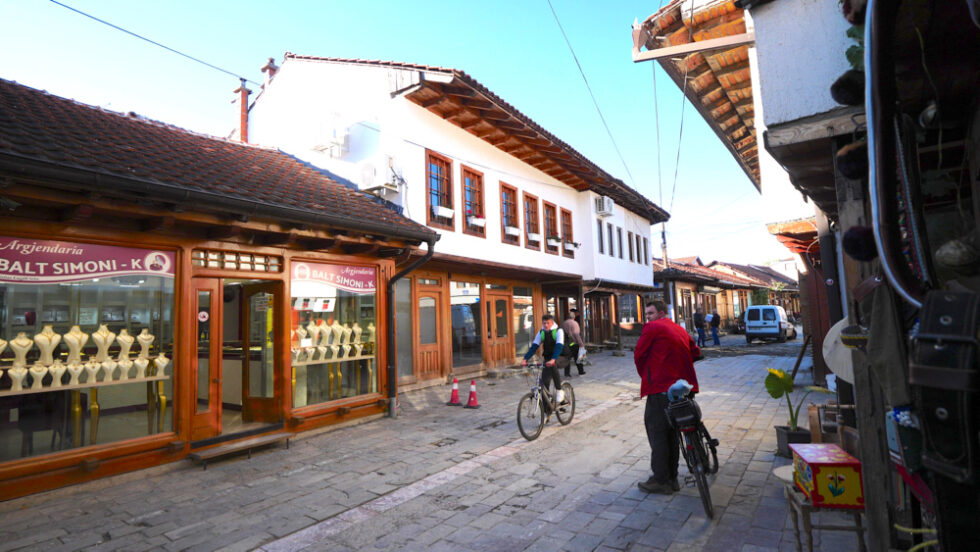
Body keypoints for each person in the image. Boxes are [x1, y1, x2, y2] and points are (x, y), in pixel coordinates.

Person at [634, 300, 701, 494]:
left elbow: (639, 355)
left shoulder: (652, 327)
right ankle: (672, 477)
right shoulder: (678, 328)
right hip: (683, 388)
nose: (647, 317)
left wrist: (648, 375)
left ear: (661, 313)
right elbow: (695, 352)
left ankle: (661, 479)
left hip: (661, 387)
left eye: (650, 313)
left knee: (657, 432)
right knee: (672, 432)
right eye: (646, 314)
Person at [522, 314, 567, 407]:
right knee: (544, 385)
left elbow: (559, 346)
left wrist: (553, 359)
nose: (546, 325)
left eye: (548, 323)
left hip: (562, 356)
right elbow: (534, 346)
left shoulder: (559, 331)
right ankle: (547, 411)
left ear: (552, 322)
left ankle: (559, 391)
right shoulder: (541, 332)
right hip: (548, 359)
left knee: (553, 365)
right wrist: (525, 359)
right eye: (544, 323)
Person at [562, 309, 586, 377]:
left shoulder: (564, 323)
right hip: (574, 343)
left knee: (567, 358)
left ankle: (567, 373)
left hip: (567, 343)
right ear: (574, 317)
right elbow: (576, 334)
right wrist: (581, 343)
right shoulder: (575, 323)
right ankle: (581, 371)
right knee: (578, 357)